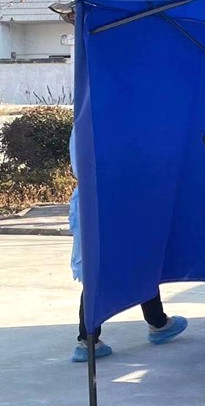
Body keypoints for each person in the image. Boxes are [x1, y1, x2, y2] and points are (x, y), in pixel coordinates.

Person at [69, 129, 188, 362]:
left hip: (94, 201)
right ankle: (156, 323)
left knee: (99, 269)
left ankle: (89, 339)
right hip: (124, 199)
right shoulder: (123, 122)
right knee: (140, 261)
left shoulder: (83, 122)